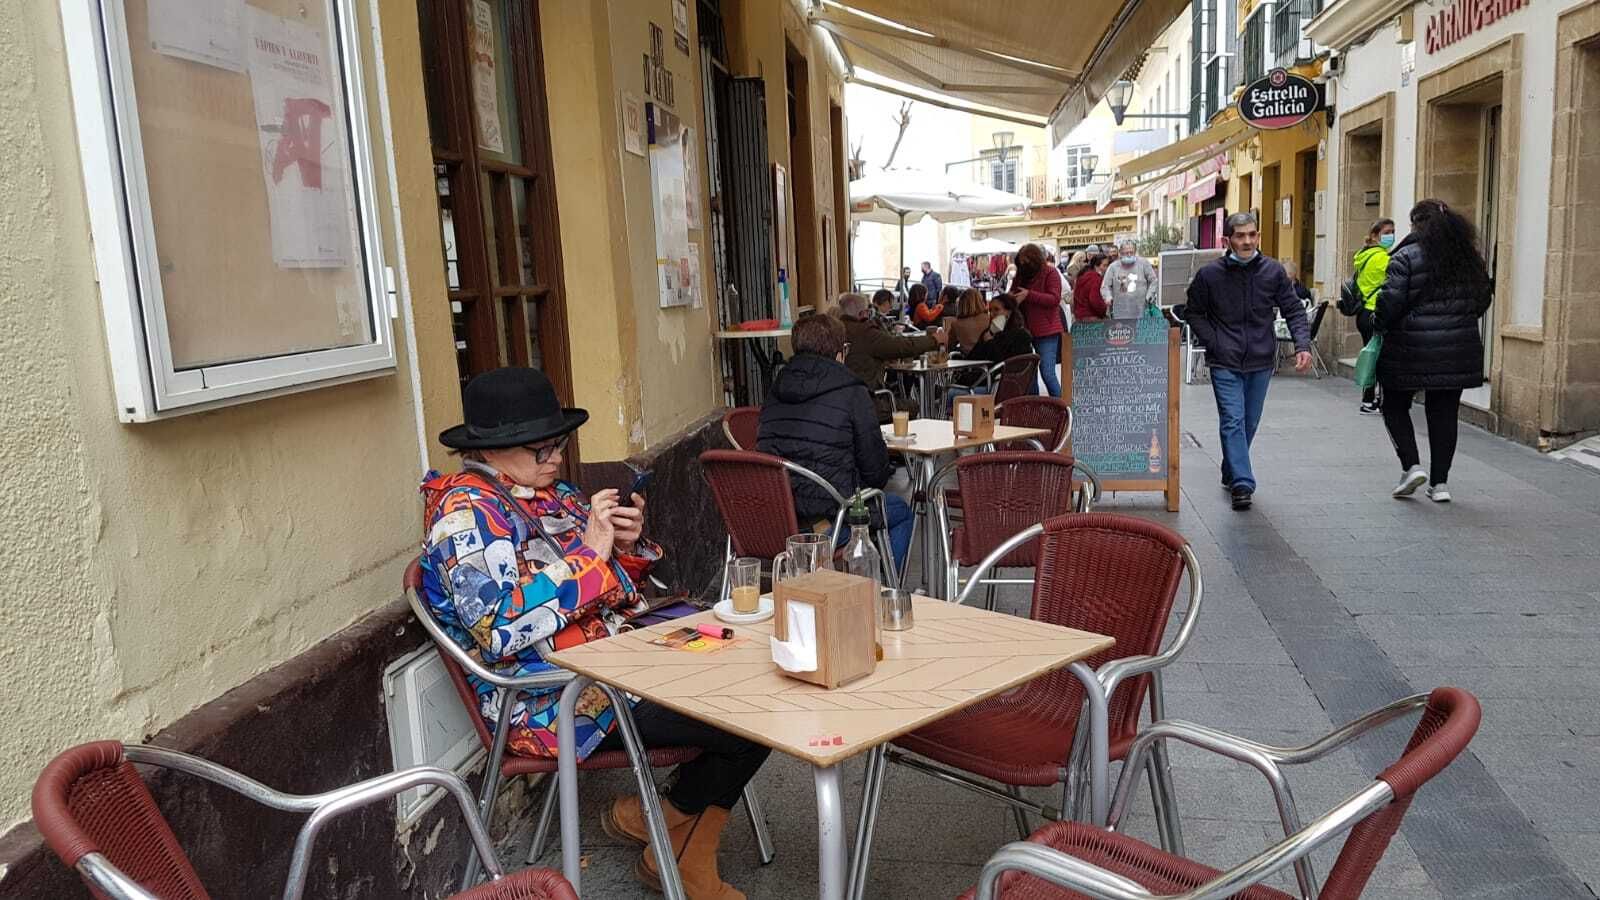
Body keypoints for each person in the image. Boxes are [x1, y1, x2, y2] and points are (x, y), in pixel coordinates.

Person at [420, 367, 769, 899]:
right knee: (745, 716)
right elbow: (498, 628)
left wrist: (624, 546)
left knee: (757, 675)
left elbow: (603, 585)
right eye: (542, 449)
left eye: (558, 443)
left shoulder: (549, 493)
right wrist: (590, 552)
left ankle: (667, 825)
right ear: (492, 450)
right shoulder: (464, 516)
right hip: (554, 695)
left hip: (619, 658)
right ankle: (679, 844)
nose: (557, 457)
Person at [756, 314, 914, 573]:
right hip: (832, 520)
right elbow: (876, 474)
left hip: (777, 521)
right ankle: (879, 592)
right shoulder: (853, 392)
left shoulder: (775, 390)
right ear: (841, 353)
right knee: (900, 513)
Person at [1184, 212, 1311, 511]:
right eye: (1240, 236)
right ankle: (1243, 482)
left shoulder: (1273, 272)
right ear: (1226, 240)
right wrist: (1214, 341)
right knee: (1233, 419)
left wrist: (1302, 344)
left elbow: (1292, 309)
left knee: (1249, 421)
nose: (1247, 241)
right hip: (1224, 359)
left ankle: (1231, 468)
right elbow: (1193, 312)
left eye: (1252, 235)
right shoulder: (1209, 275)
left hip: (1260, 360)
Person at [1376, 200, 1493, 503]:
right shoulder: (1469, 258)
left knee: (1394, 405)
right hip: (1457, 348)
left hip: (1409, 346)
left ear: (1415, 224)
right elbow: (1482, 299)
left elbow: (1389, 304)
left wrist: (1379, 323)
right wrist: (1458, 321)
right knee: (1444, 414)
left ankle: (1411, 466)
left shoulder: (1405, 257)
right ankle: (1440, 484)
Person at [839, 291, 945, 400]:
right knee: (911, 406)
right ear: (862, 313)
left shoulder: (836, 329)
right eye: (867, 311)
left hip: (842, 397)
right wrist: (933, 340)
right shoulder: (865, 332)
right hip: (868, 398)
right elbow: (899, 347)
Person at [1352, 218, 1395, 413]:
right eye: (1386, 232)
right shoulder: (1382, 258)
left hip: (1363, 312)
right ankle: (1370, 400)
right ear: (1375, 236)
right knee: (1379, 359)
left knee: (1371, 355)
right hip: (1375, 312)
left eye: (1392, 231)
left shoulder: (1363, 255)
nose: (1390, 236)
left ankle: (1368, 399)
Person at [1011, 242, 1066, 397]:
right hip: (1025, 330)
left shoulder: (1051, 273)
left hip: (1047, 330)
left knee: (1047, 373)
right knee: (1029, 374)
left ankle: (1062, 408)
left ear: (1034, 260)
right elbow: (1013, 292)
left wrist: (1029, 295)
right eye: (1021, 263)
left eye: (1025, 262)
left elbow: (1054, 299)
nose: (1023, 266)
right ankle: (1035, 407)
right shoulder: (1021, 275)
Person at [1102, 240, 1159, 319]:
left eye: (1131, 252)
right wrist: (1108, 297)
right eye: (1126, 253)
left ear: (1135, 252)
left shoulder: (1143, 263)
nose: (1129, 255)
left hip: (1141, 308)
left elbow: (1154, 280)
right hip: (1120, 310)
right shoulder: (1113, 267)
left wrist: (1149, 296)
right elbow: (1105, 286)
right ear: (1120, 253)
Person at [949, 287, 991, 354]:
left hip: (968, 361)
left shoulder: (956, 324)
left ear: (961, 303)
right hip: (988, 359)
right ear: (980, 301)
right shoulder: (989, 319)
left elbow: (950, 345)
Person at [1072, 253, 1111, 322]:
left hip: (1079, 316)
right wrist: (1104, 310)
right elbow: (1095, 299)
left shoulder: (1082, 276)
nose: (1106, 268)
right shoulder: (1096, 278)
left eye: (1107, 265)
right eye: (1104, 265)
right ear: (1096, 266)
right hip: (1092, 317)